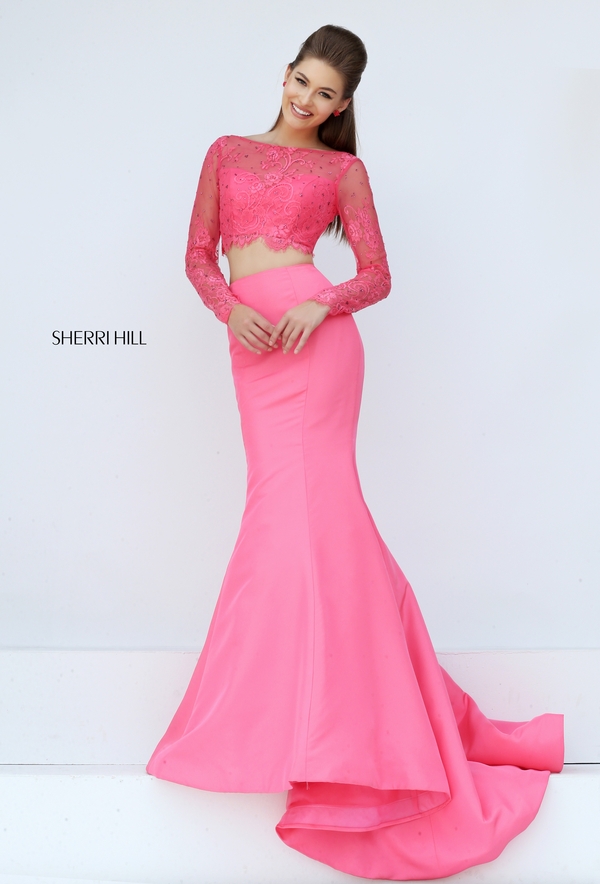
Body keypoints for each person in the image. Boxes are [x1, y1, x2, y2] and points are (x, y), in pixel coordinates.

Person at [146, 24, 564, 880]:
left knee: (321, 518)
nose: (308, 100)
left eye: (326, 94)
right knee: (287, 520)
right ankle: (340, 711)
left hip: (318, 346)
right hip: (254, 348)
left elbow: (376, 273)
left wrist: (321, 303)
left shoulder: (344, 173)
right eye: (302, 81)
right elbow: (196, 257)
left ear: (344, 105)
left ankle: (339, 723)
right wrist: (232, 309)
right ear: (285, 74)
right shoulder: (226, 152)